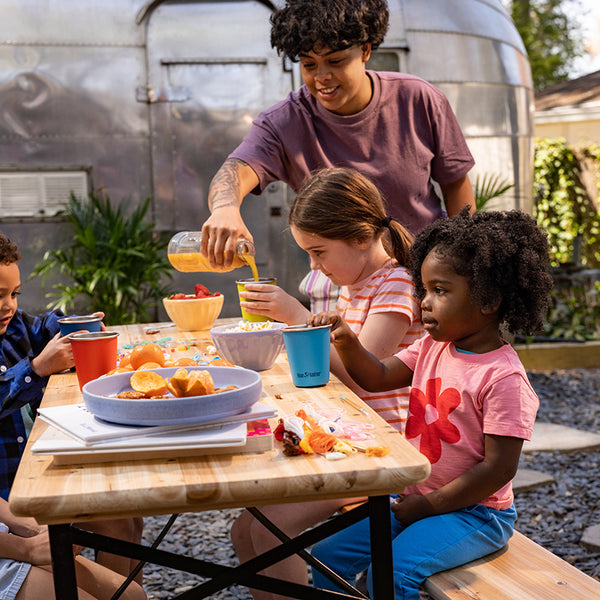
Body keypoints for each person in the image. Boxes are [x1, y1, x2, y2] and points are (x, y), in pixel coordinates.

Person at [307, 208, 553, 599]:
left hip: (475, 513)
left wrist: (430, 505)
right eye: (424, 289)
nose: (424, 302)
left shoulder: (503, 378)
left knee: (389, 576)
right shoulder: (430, 347)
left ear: (488, 300)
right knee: (325, 558)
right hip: (415, 500)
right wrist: (348, 341)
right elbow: (378, 376)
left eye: (440, 290)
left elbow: (499, 468)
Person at [200, 0, 475, 309]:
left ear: (366, 51)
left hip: (423, 281)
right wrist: (224, 209)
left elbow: (456, 185)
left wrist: (462, 262)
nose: (322, 77)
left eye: (336, 61)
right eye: (309, 65)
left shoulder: (420, 99)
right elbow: (235, 169)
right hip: (342, 292)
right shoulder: (283, 122)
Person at [230, 167, 424, 600]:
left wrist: (296, 316)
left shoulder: (395, 285)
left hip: (382, 449)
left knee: (267, 530)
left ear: (359, 237)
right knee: (246, 529)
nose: (314, 266)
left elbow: (364, 376)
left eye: (318, 252)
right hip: (346, 435)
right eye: (308, 255)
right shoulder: (356, 282)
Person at [0, 232, 145, 596]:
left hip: (30, 478)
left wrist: (77, 326)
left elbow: (44, 325)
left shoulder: (12, 328)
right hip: (12, 497)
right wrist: (35, 368)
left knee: (125, 517)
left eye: (13, 294)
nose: (8, 306)